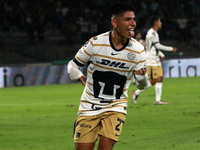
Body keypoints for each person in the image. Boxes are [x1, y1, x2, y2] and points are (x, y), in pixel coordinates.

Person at [67, 2, 148, 150]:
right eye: (127, 19)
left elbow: (143, 85)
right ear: (114, 22)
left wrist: (141, 78)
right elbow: (72, 65)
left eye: (133, 19)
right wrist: (78, 74)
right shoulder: (95, 44)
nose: (133, 23)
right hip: (89, 106)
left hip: (115, 106)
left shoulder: (138, 50)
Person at [131, 16, 178, 105]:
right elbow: (158, 46)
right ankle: (136, 93)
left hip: (155, 59)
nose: (161, 23)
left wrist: (161, 54)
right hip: (151, 60)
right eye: (160, 22)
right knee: (155, 80)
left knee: (160, 79)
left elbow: (153, 47)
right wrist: (171, 49)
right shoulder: (153, 33)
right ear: (156, 23)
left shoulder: (151, 32)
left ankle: (158, 100)